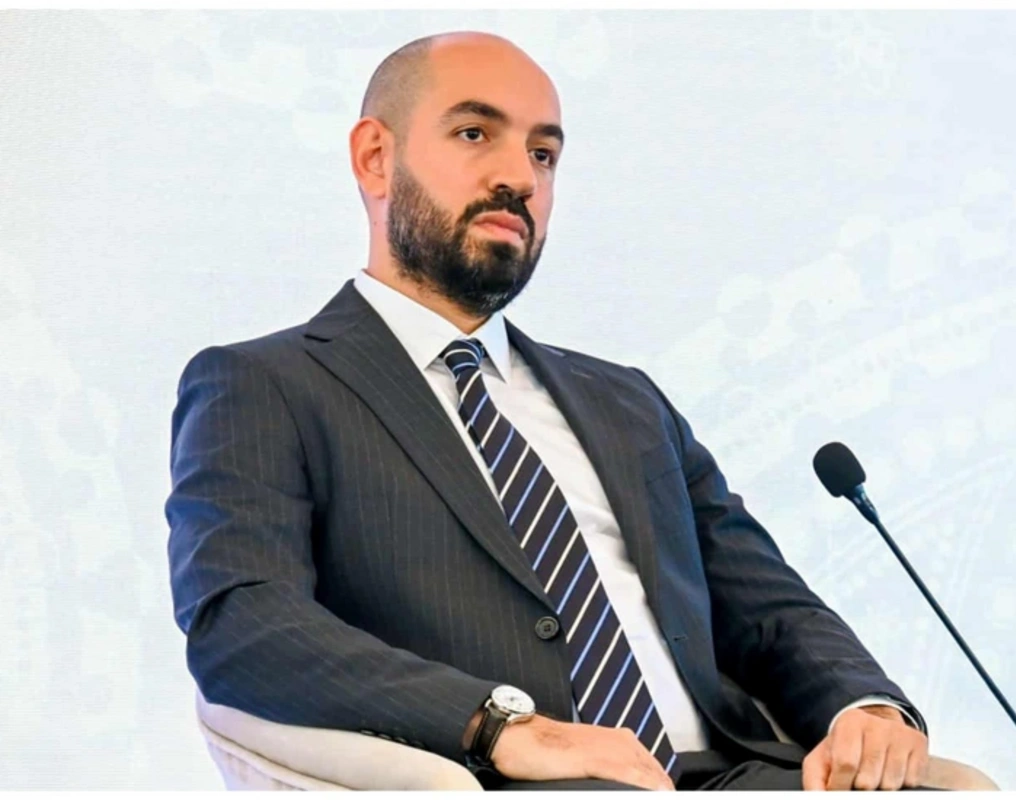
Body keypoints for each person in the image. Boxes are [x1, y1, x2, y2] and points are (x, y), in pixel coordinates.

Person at [166, 31, 935, 791]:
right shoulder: (265, 385)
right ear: (375, 157)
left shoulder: (626, 400)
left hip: (732, 776)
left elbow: (762, 603)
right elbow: (244, 627)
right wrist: (498, 725)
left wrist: (863, 706)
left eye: (542, 154)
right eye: (474, 133)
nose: (519, 178)